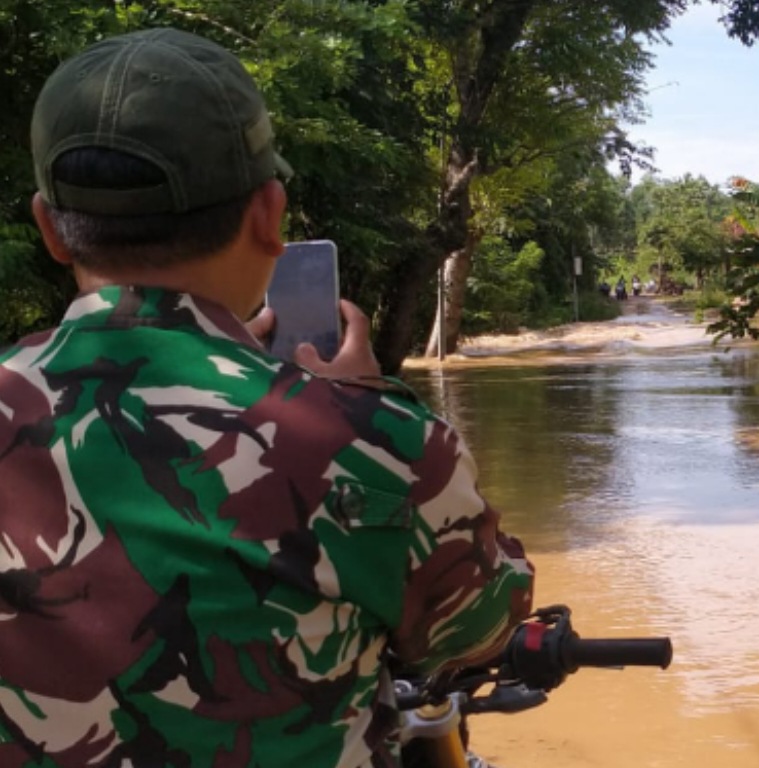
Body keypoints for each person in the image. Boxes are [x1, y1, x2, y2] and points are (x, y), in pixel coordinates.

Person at [0, 28, 533, 767]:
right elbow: (482, 628)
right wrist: (356, 407)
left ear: (50, 229)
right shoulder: (373, 443)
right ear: (269, 214)